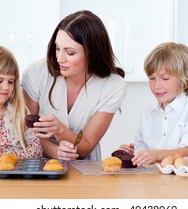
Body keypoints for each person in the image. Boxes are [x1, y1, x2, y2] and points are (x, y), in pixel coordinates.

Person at [21, 10, 127, 162]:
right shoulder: (36, 73)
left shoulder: (113, 86)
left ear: (92, 54)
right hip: (36, 163)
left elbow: (85, 147)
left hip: (83, 170)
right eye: (57, 48)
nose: (59, 58)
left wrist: (60, 129)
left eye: (70, 52)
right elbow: (24, 132)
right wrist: (55, 151)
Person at [119, 42, 188, 167]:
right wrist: (132, 154)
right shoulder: (147, 112)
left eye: (165, 78)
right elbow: (143, 151)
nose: (157, 85)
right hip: (154, 180)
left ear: (183, 77)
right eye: (152, 78)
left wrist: (157, 155)